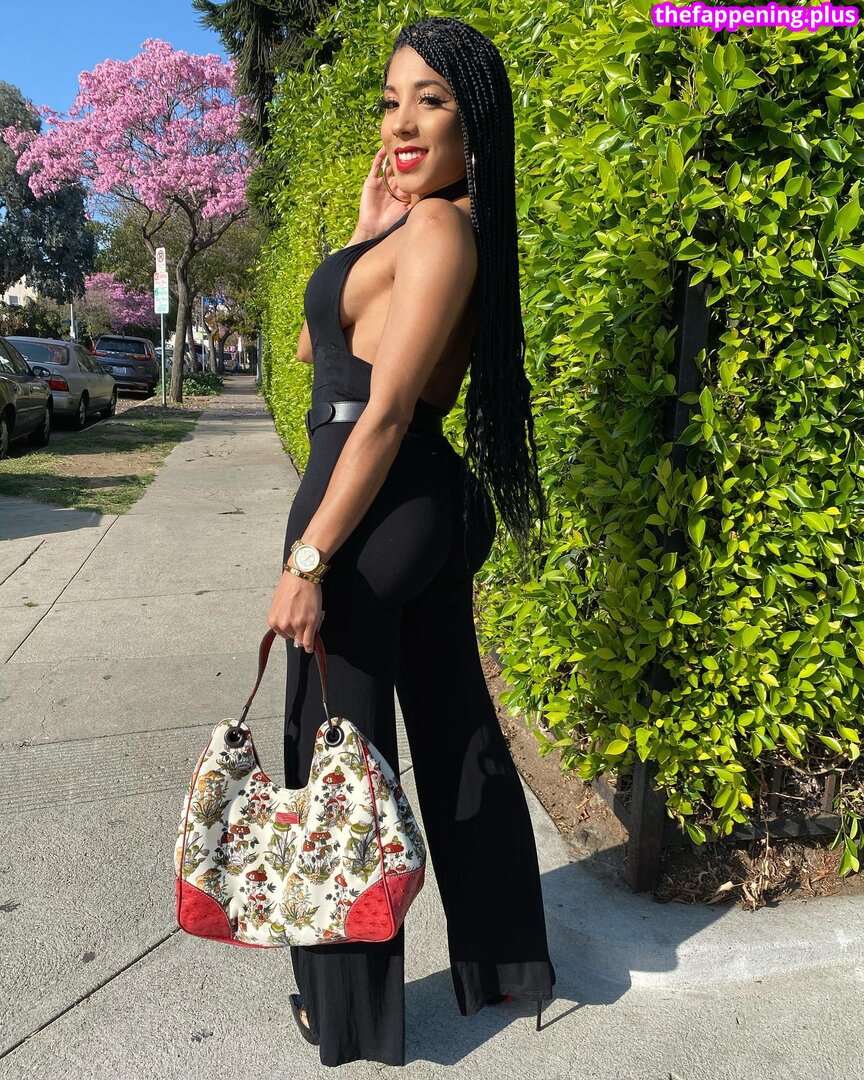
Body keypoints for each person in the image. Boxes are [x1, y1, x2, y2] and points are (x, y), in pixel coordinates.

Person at [267, 15, 556, 1068]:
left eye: (431, 101)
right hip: (407, 503)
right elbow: (321, 351)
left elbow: (384, 413)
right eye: (392, 101)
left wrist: (309, 560)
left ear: (475, 124)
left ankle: (346, 1014)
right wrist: (362, 228)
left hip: (370, 498)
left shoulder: (441, 231)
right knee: (453, 727)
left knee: (335, 760)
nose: (403, 122)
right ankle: (504, 959)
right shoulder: (416, 227)